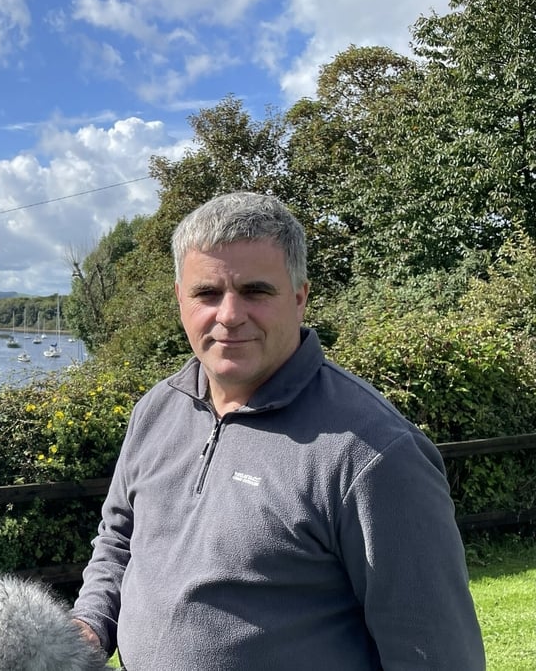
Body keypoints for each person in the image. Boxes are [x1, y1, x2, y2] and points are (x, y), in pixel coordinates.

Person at [69, 192, 485, 670]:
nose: (228, 315)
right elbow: (120, 537)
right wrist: (91, 625)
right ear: (180, 300)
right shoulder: (157, 409)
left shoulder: (373, 453)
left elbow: (436, 656)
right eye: (207, 293)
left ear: (299, 297)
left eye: (255, 291)